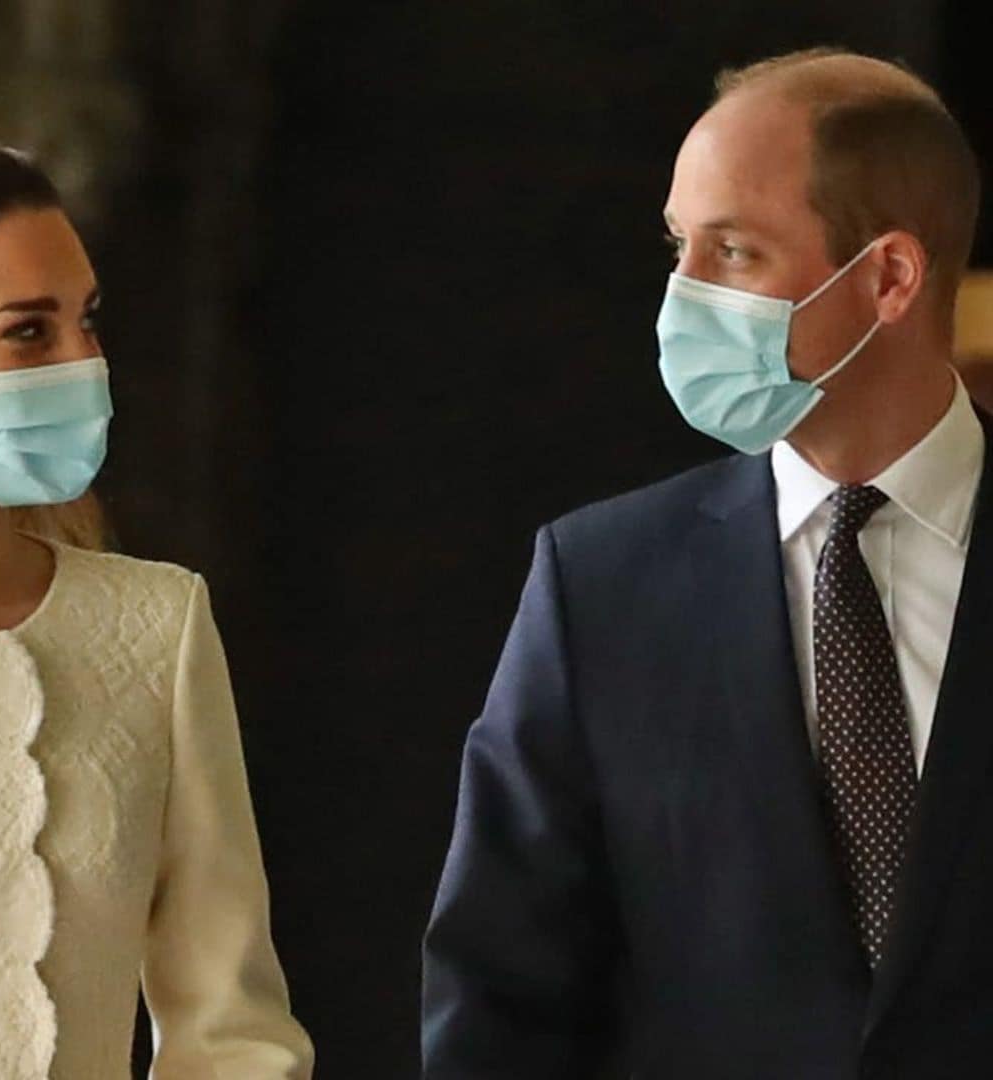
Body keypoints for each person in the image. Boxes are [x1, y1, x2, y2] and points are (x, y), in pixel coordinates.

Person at [422, 48, 992, 1078]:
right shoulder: (599, 586)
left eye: (734, 253)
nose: (681, 297)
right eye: (679, 246)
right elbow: (500, 994)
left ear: (890, 279)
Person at [0, 137, 313, 1078]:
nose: (81, 361)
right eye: (27, 330)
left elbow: (234, 1034)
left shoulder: (153, 628)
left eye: (86, 321)